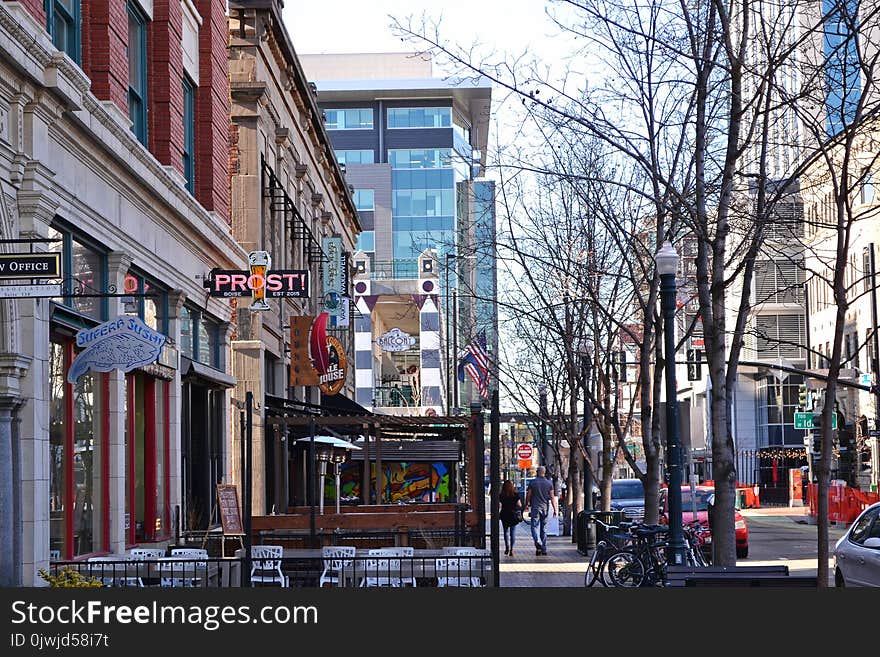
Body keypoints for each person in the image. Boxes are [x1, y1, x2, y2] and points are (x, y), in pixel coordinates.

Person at [524, 466, 558, 556]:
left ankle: (537, 542)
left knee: (534, 526)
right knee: (544, 528)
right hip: (545, 508)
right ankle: (544, 548)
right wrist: (555, 509)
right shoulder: (549, 483)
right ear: (544, 472)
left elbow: (528, 495)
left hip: (535, 507)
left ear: (537, 472)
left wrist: (526, 505)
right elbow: (552, 497)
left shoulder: (533, 482)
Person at [499, 480, 522, 556]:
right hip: (513, 515)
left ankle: (507, 547)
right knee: (513, 533)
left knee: (506, 532)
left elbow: (499, 505)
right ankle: (512, 549)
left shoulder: (501, 495)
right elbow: (519, 505)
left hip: (504, 514)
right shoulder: (515, 495)